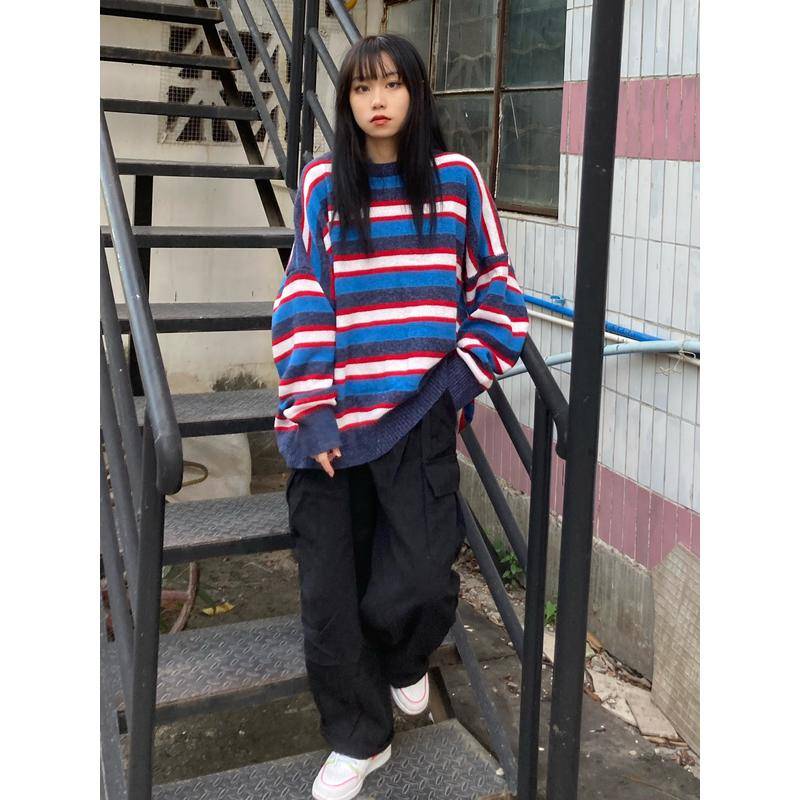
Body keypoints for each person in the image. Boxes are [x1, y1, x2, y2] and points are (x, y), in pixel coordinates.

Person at [271, 33, 529, 800]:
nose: (376, 100)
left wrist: (454, 384)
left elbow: (498, 293)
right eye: (360, 88)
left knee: (417, 579)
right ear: (346, 101)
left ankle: (403, 657)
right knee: (329, 602)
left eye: (390, 84)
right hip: (328, 424)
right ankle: (360, 740)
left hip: (417, 413)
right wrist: (312, 411)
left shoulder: (456, 183)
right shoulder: (324, 182)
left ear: (416, 92)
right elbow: (303, 296)